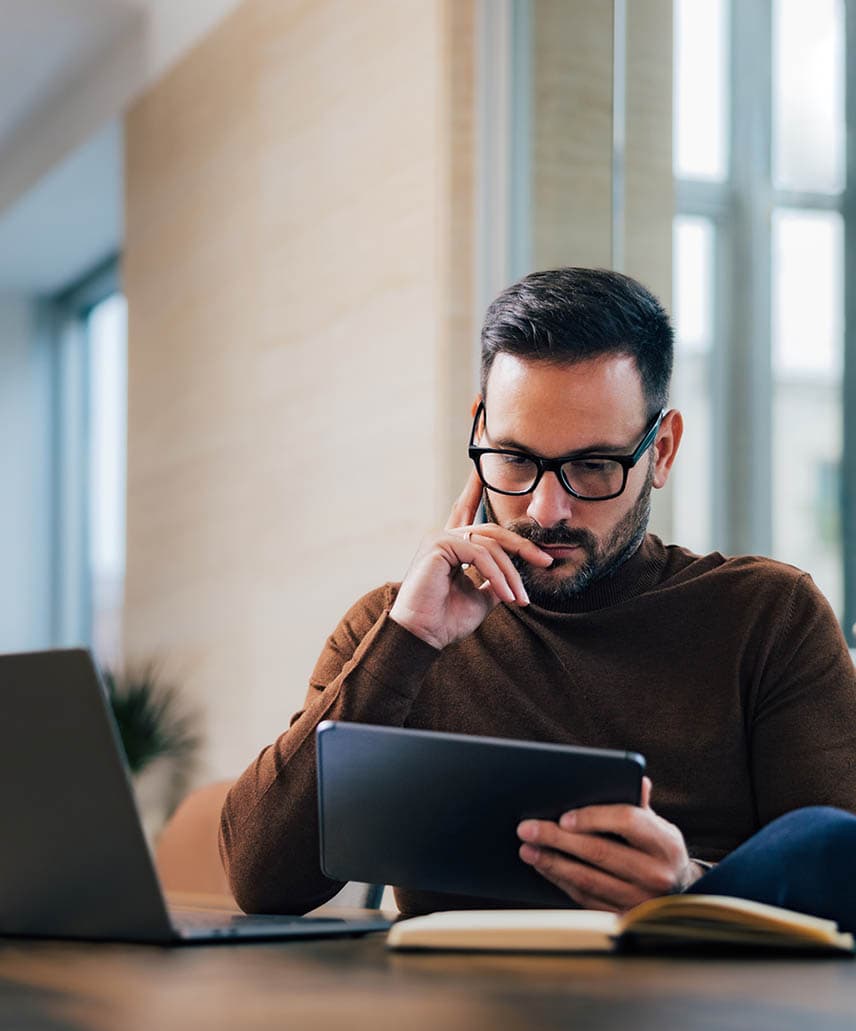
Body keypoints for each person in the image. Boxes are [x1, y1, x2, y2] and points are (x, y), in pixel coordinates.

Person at [220, 268, 856, 924]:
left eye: (593, 466)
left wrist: (692, 888)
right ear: (479, 428)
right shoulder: (398, 627)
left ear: (660, 451)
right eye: (516, 459)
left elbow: (839, 871)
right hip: (452, 1017)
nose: (546, 509)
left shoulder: (767, 618)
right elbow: (262, 883)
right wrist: (408, 641)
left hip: (694, 1012)